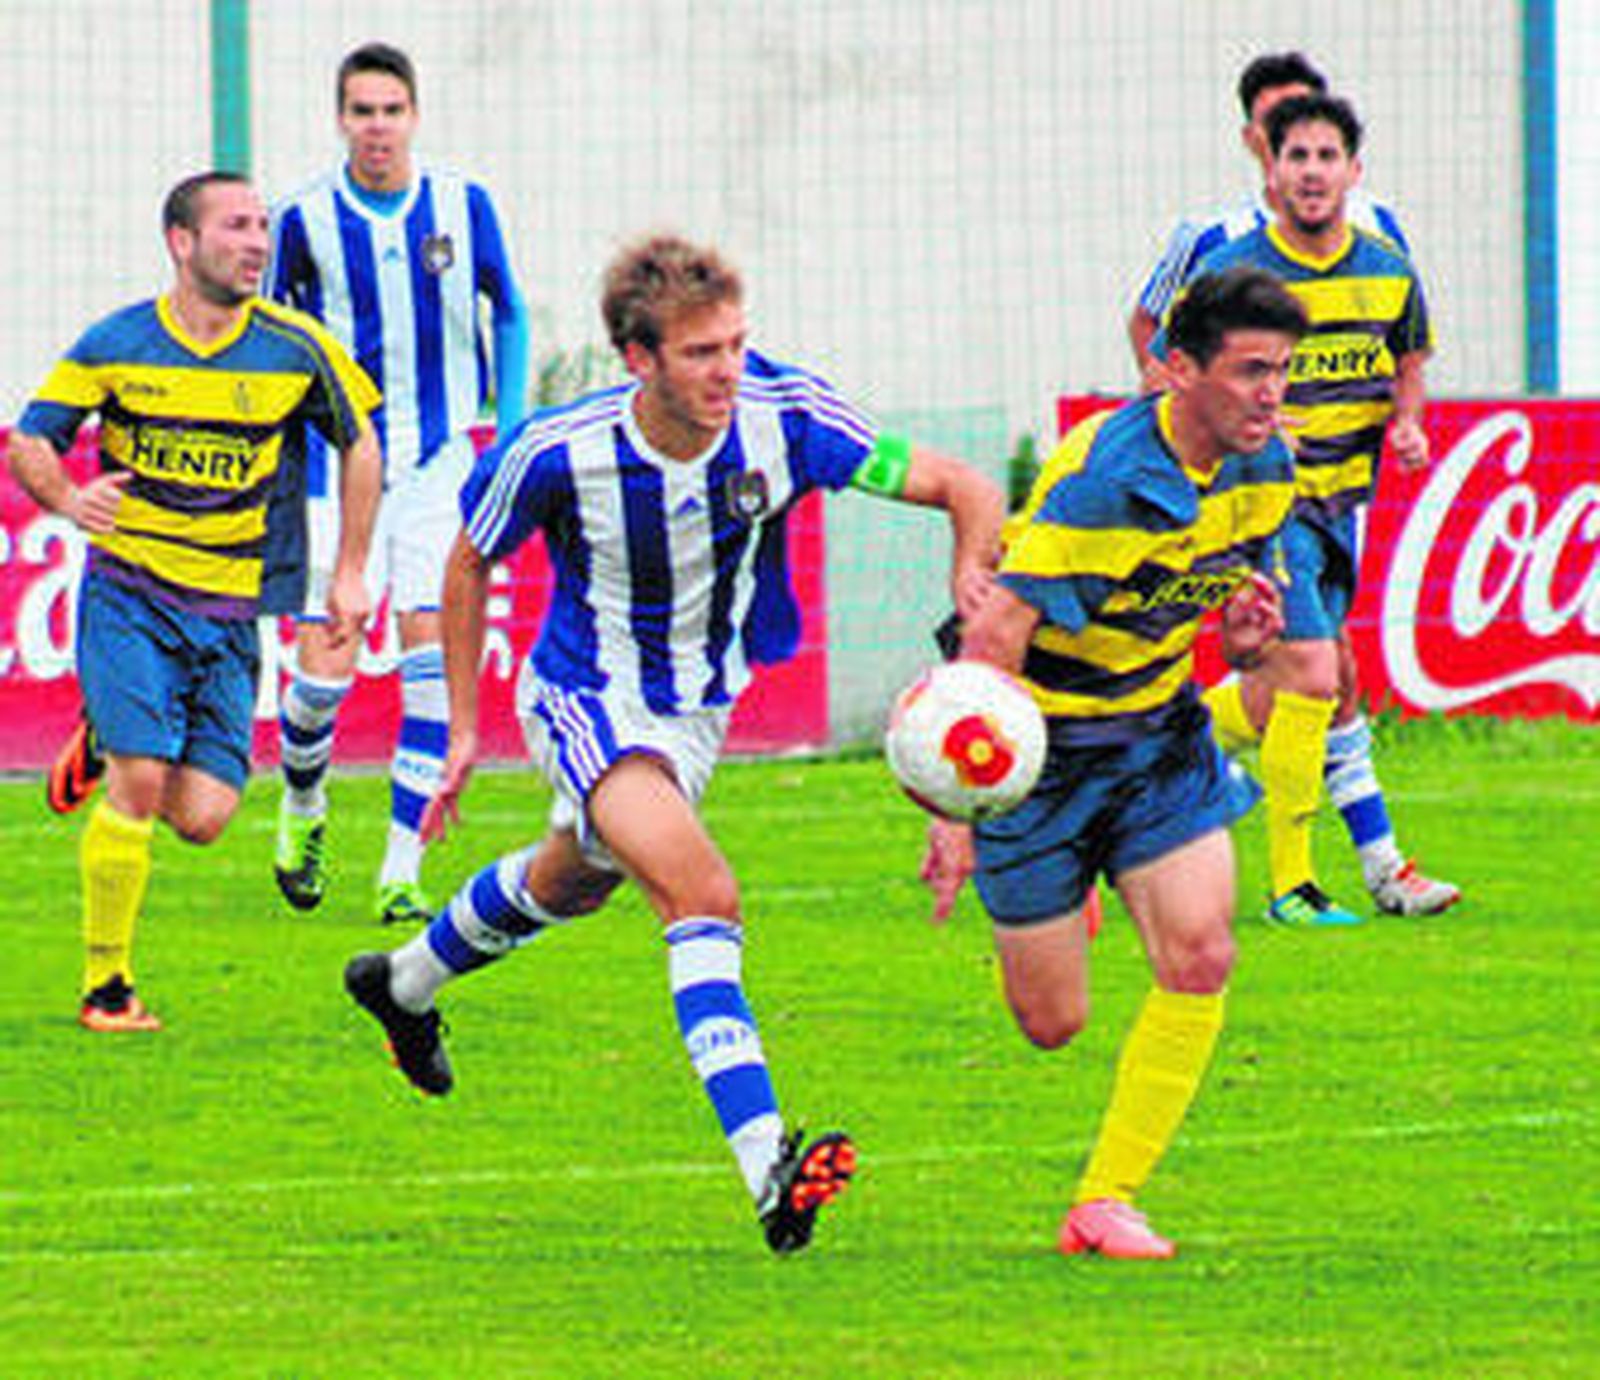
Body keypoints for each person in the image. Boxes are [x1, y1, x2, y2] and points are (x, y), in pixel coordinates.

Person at [342, 233, 1005, 1253]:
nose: (727, 369)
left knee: (573, 881)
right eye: (701, 353)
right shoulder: (559, 450)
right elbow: (469, 563)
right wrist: (468, 727)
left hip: (697, 711)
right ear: (638, 358)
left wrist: (969, 614)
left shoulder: (788, 420)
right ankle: (768, 1167)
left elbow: (964, 486)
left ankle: (401, 984)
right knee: (701, 895)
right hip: (584, 695)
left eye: (736, 344)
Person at [921, 266, 1308, 1260]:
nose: (1271, 392)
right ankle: (1074, 880)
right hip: (1036, 754)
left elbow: (1217, 604)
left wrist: (1245, 633)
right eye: (1250, 370)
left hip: (1156, 736)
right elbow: (995, 636)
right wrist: (954, 811)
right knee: (1050, 1023)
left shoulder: (1267, 469)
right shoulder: (1110, 483)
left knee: (1203, 952)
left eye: (1282, 370)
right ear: (1178, 370)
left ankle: (1104, 1198)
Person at [7, 172, 380, 1031]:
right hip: (131, 592)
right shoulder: (117, 341)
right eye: (236, 226)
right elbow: (33, 440)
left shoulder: (296, 346)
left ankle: (105, 732)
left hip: (229, 610)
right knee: (140, 783)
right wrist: (68, 500)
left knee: (205, 818)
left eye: (263, 226)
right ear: (182, 241)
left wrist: (350, 570)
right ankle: (107, 988)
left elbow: (360, 442)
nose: (257, 242)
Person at [1130, 54, 1457, 920]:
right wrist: (1212, 436)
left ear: (1354, 168)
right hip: (1263, 505)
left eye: (1326, 156)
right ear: (1265, 168)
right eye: (1294, 155)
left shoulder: (1386, 263)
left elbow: (1410, 350)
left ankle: (1161, 752)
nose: (1311, 171)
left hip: (1344, 503)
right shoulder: (1230, 265)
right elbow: (1166, 354)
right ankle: (1293, 884)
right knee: (1315, 672)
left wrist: (1409, 420)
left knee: (1308, 686)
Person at [266, 42, 532, 926]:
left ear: (413, 115)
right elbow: (274, 341)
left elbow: (512, 308)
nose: (376, 127)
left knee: (431, 650)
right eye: (361, 111)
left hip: (442, 463)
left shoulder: (464, 205)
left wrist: (513, 422)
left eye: (390, 110)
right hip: (338, 471)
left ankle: (399, 870)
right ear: (339, 119)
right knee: (324, 674)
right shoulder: (302, 219)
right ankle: (303, 805)